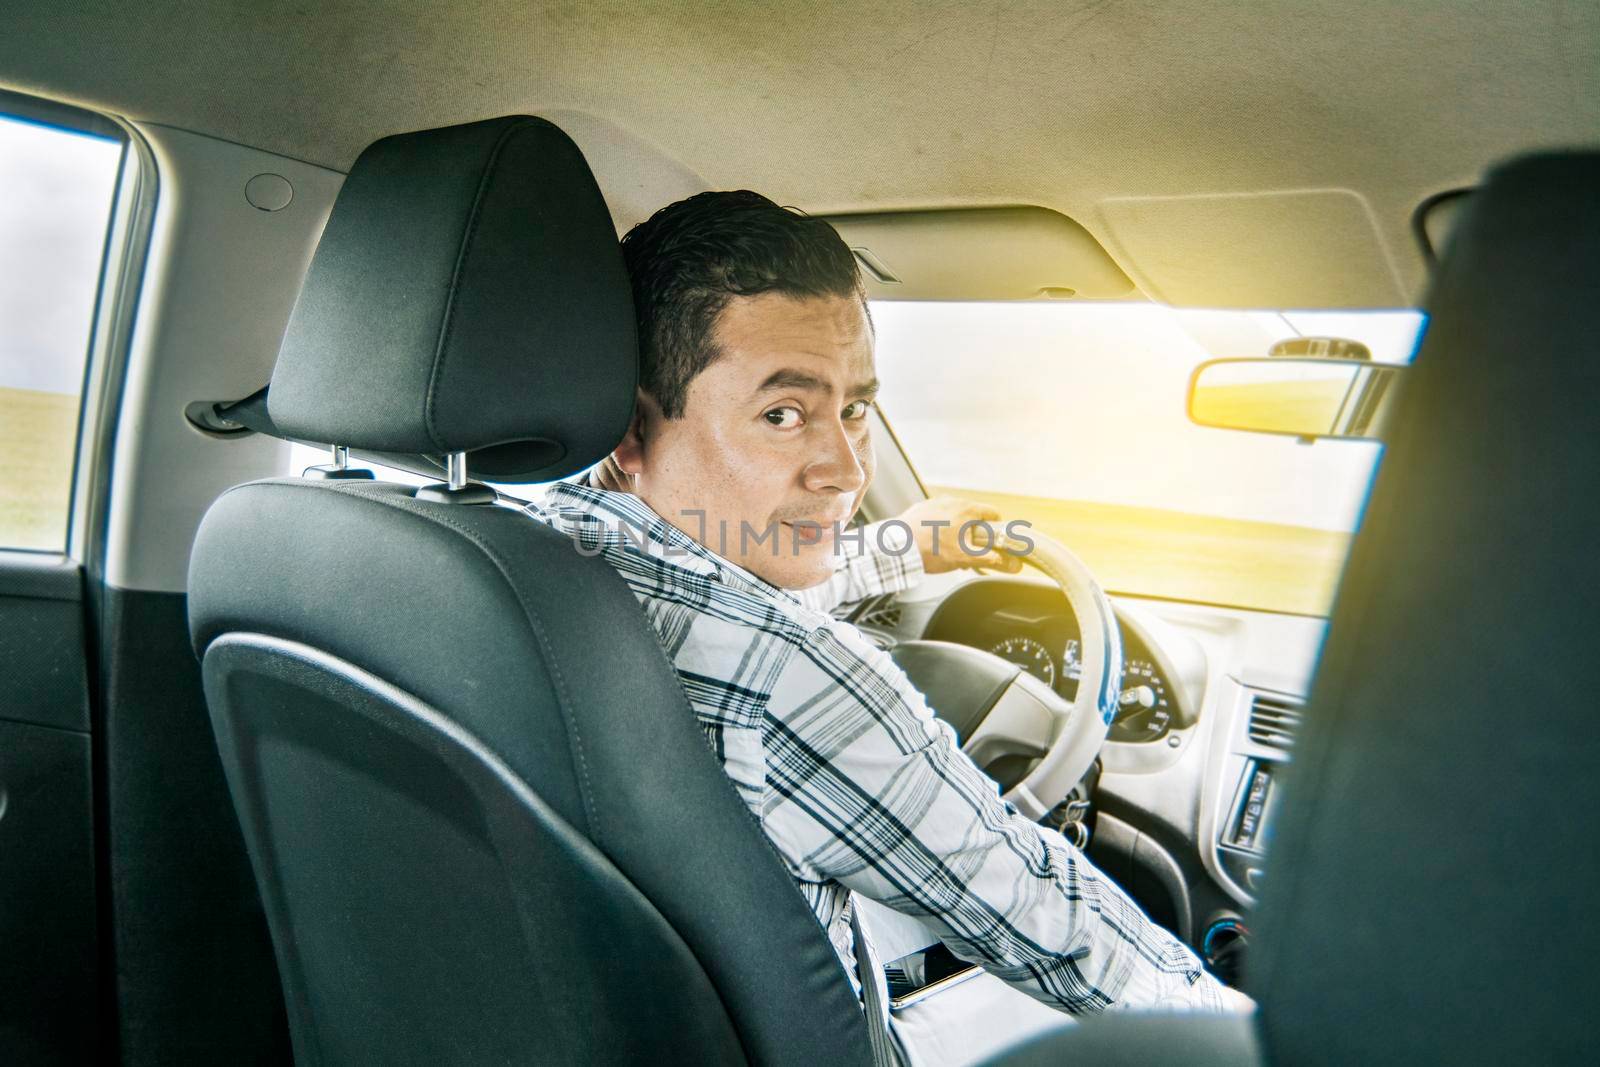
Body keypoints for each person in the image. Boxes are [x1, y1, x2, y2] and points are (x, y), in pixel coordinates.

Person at [521, 190, 1241, 1023]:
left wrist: (899, 548)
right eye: (783, 413)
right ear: (629, 427)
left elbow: (716, 589)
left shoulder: (517, 552)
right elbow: (1042, 915)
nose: (848, 471)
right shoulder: (793, 677)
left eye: (855, 408)